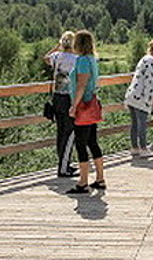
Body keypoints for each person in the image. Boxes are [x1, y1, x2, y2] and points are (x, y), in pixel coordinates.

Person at [66, 30, 106, 194]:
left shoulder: (82, 60)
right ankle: (100, 178)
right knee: (92, 142)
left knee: (81, 144)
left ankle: (83, 182)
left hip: (84, 106)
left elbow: (81, 85)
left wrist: (74, 106)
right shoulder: (92, 59)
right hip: (92, 105)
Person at [43, 31, 79, 178]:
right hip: (69, 99)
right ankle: (63, 168)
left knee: (60, 133)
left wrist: (56, 47)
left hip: (56, 99)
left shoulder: (56, 56)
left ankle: (64, 164)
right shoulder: (76, 59)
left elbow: (45, 58)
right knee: (69, 133)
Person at [124, 40, 153, 157]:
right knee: (142, 124)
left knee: (134, 124)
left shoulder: (144, 59)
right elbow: (149, 82)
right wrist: (148, 100)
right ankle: (143, 149)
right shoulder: (151, 61)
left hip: (132, 96)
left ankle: (134, 147)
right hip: (141, 97)